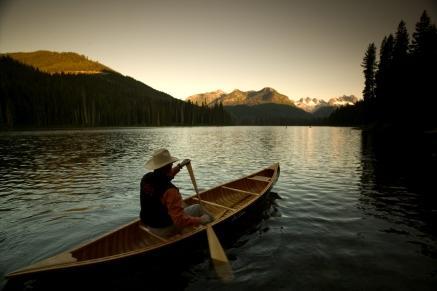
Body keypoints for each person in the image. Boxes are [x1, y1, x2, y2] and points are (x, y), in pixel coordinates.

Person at [140, 148, 212, 237]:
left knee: (181, 204)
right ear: (168, 166)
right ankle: (216, 223)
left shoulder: (146, 178)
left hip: (149, 225)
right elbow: (179, 221)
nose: (172, 164)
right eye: (171, 163)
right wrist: (201, 220)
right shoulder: (170, 190)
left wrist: (180, 166)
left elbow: (165, 177)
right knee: (198, 208)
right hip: (163, 230)